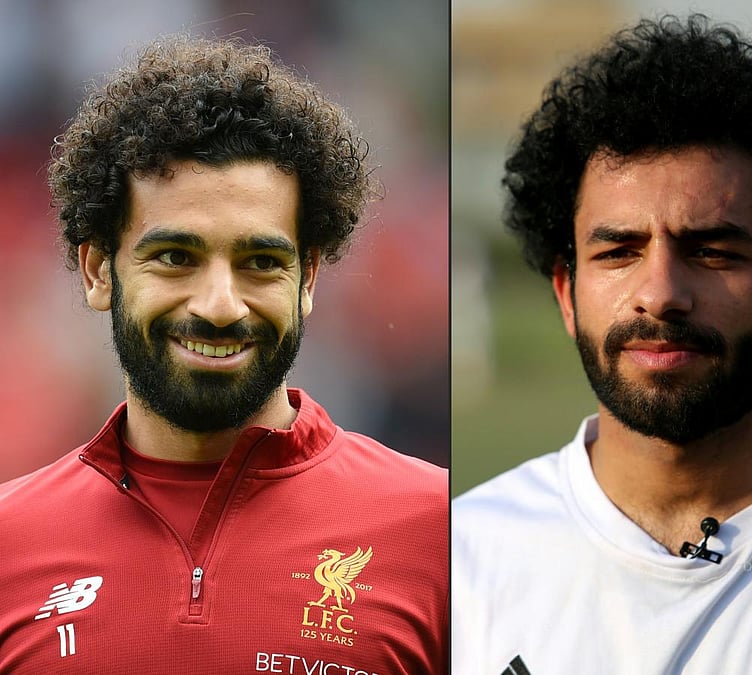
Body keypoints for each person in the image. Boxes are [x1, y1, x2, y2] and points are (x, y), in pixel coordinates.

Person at [452, 14, 752, 675]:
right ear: (567, 294)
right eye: (618, 251)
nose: (660, 292)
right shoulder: (459, 560)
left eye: (712, 251)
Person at [0, 36, 447, 674]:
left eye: (260, 262)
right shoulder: (8, 544)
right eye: (176, 257)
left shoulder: (439, 533)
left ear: (309, 279)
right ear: (99, 270)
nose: (219, 304)